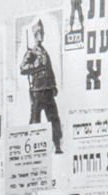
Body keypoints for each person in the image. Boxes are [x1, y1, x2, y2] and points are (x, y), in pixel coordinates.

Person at [20, 20, 63, 154]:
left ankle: (57, 145)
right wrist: (35, 66)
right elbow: (22, 68)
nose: (41, 35)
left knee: (54, 118)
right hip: (37, 91)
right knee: (35, 119)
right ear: (35, 35)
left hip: (48, 90)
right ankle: (31, 147)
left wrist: (54, 85)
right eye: (39, 33)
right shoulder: (32, 52)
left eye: (42, 33)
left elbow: (50, 70)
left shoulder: (45, 52)